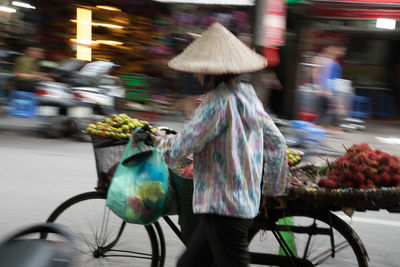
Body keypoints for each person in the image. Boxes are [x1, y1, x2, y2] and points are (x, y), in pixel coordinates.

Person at [155, 23, 289, 267]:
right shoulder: (247, 95)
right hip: (238, 205)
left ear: (209, 70)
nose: (196, 74)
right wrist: (273, 188)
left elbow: (185, 144)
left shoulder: (216, 102)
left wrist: (160, 144)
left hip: (224, 208)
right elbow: (277, 142)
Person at [312, 44, 346, 126]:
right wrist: (320, 87)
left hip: (334, 87)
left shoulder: (332, 60)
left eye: (342, 51)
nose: (341, 53)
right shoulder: (322, 59)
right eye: (337, 50)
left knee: (332, 108)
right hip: (327, 87)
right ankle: (321, 125)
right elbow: (317, 73)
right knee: (325, 108)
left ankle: (331, 124)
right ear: (327, 49)